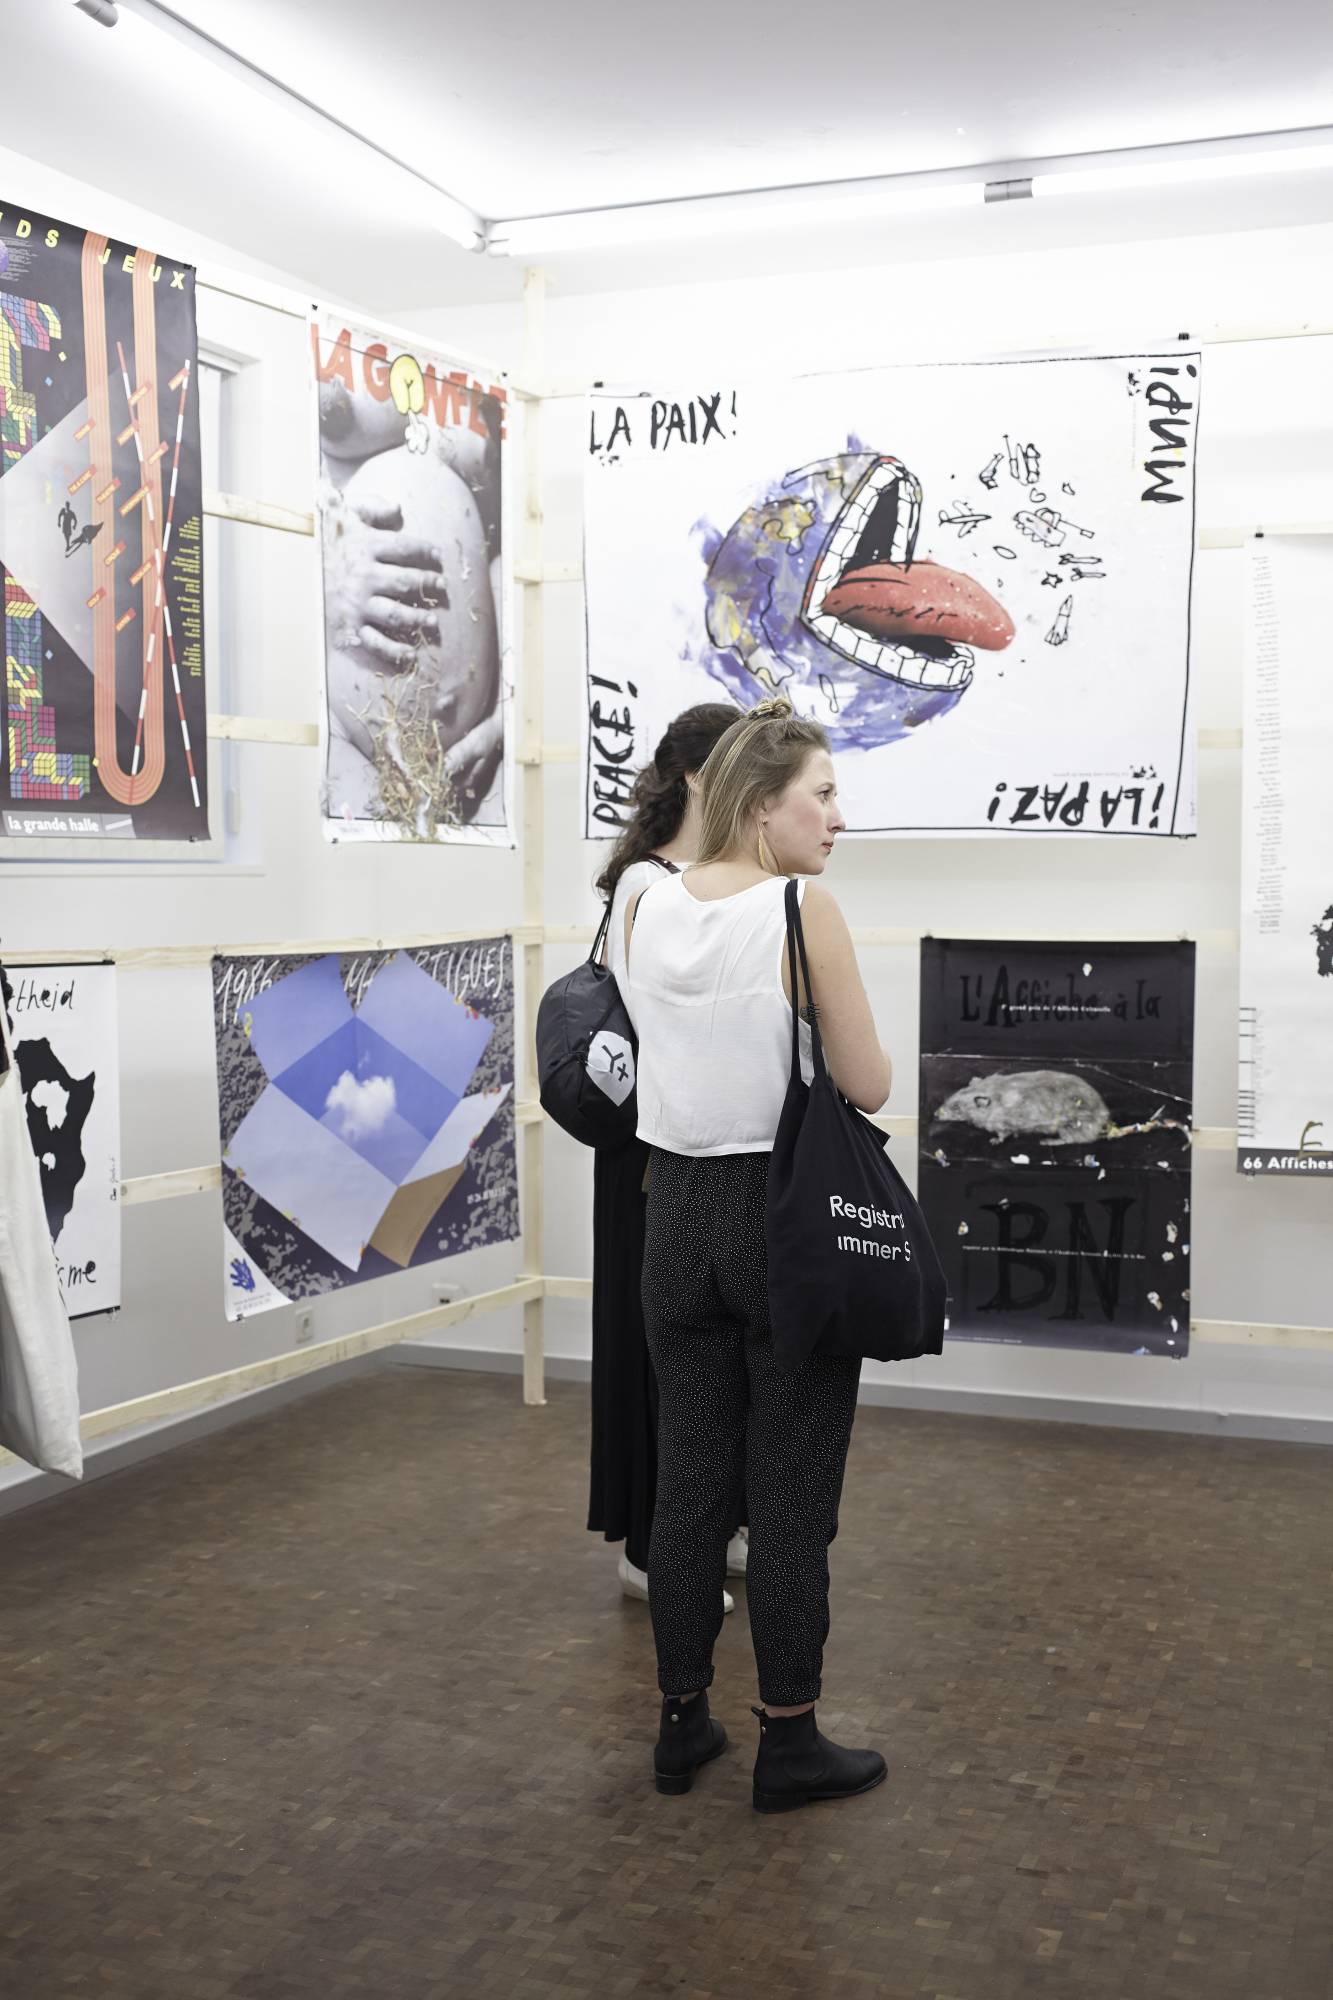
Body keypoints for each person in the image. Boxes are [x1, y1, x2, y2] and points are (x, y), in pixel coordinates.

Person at [621, 695, 894, 1813]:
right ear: (759, 804)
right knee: (788, 1491)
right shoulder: (799, 909)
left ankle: (681, 1720)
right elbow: (867, 1083)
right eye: (820, 794)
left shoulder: (646, 899)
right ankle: (790, 1737)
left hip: (671, 1214)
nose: (836, 816)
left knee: (688, 1484)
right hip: (778, 1216)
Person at [589, 703, 744, 1618]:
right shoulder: (648, 886)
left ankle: (714, 1522)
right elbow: (667, 1019)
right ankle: (653, 1548)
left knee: (722, 1346)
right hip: (654, 1147)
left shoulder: (717, 876)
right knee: (664, 1352)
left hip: (704, 1141)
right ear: (694, 777)